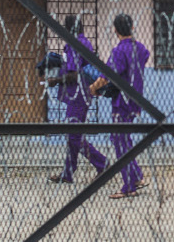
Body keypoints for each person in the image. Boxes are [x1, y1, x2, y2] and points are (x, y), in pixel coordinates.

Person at [89, 13, 149, 199]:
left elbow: (106, 75)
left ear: (115, 30)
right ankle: (136, 175)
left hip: (121, 101)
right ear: (131, 27)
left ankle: (129, 185)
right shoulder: (140, 48)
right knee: (125, 138)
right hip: (135, 99)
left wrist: (93, 87)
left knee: (119, 139)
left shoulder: (118, 51)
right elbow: (144, 59)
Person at [47, 15, 108, 184]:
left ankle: (101, 163)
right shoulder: (84, 42)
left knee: (74, 135)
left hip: (77, 95)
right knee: (73, 133)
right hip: (82, 94)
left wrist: (55, 80)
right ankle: (68, 172)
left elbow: (74, 75)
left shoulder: (74, 44)